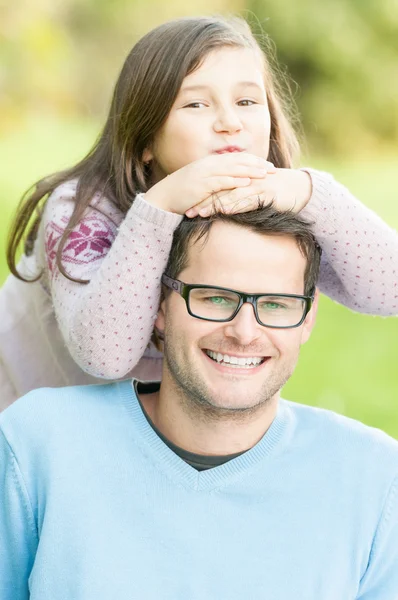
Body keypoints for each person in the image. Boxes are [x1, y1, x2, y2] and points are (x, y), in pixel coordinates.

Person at [1, 15, 397, 410]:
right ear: (144, 138)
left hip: (159, 436)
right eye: (196, 103)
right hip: (23, 419)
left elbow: (391, 289)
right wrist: (159, 208)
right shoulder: (83, 207)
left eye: (246, 101)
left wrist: (313, 193)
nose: (229, 122)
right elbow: (105, 355)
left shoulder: (270, 202)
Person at [1, 206, 397, 599]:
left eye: (276, 304)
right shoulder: (37, 444)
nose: (244, 332)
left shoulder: (375, 478)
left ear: (307, 318)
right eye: (214, 298)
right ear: (158, 304)